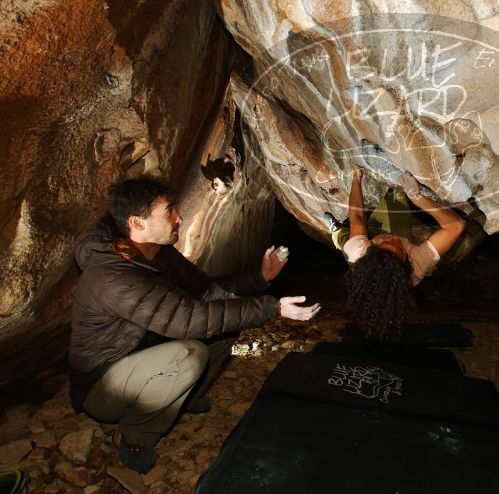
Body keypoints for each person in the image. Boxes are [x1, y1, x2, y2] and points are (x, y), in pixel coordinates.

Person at [68, 176, 320, 474]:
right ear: (137, 223)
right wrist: (272, 307)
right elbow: (187, 320)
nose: (179, 217)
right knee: (189, 355)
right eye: (169, 211)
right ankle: (131, 434)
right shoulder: (114, 277)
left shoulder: (156, 252)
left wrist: (260, 278)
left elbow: (207, 294)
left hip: (139, 352)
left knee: (224, 328)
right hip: (102, 384)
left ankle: (181, 398)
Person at [326, 169, 464, 342]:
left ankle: (336, 231)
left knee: (346, 242)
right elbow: (455, 227)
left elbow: (357, 216)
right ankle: (339, 233)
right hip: (381, 255)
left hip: (362, 255)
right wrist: (416, 196)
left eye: (385, 243)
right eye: (396, 246)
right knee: (397, 201)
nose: (390, 237)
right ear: (407, 262)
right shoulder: (417, 266)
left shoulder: (359, 253)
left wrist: (355, 179)